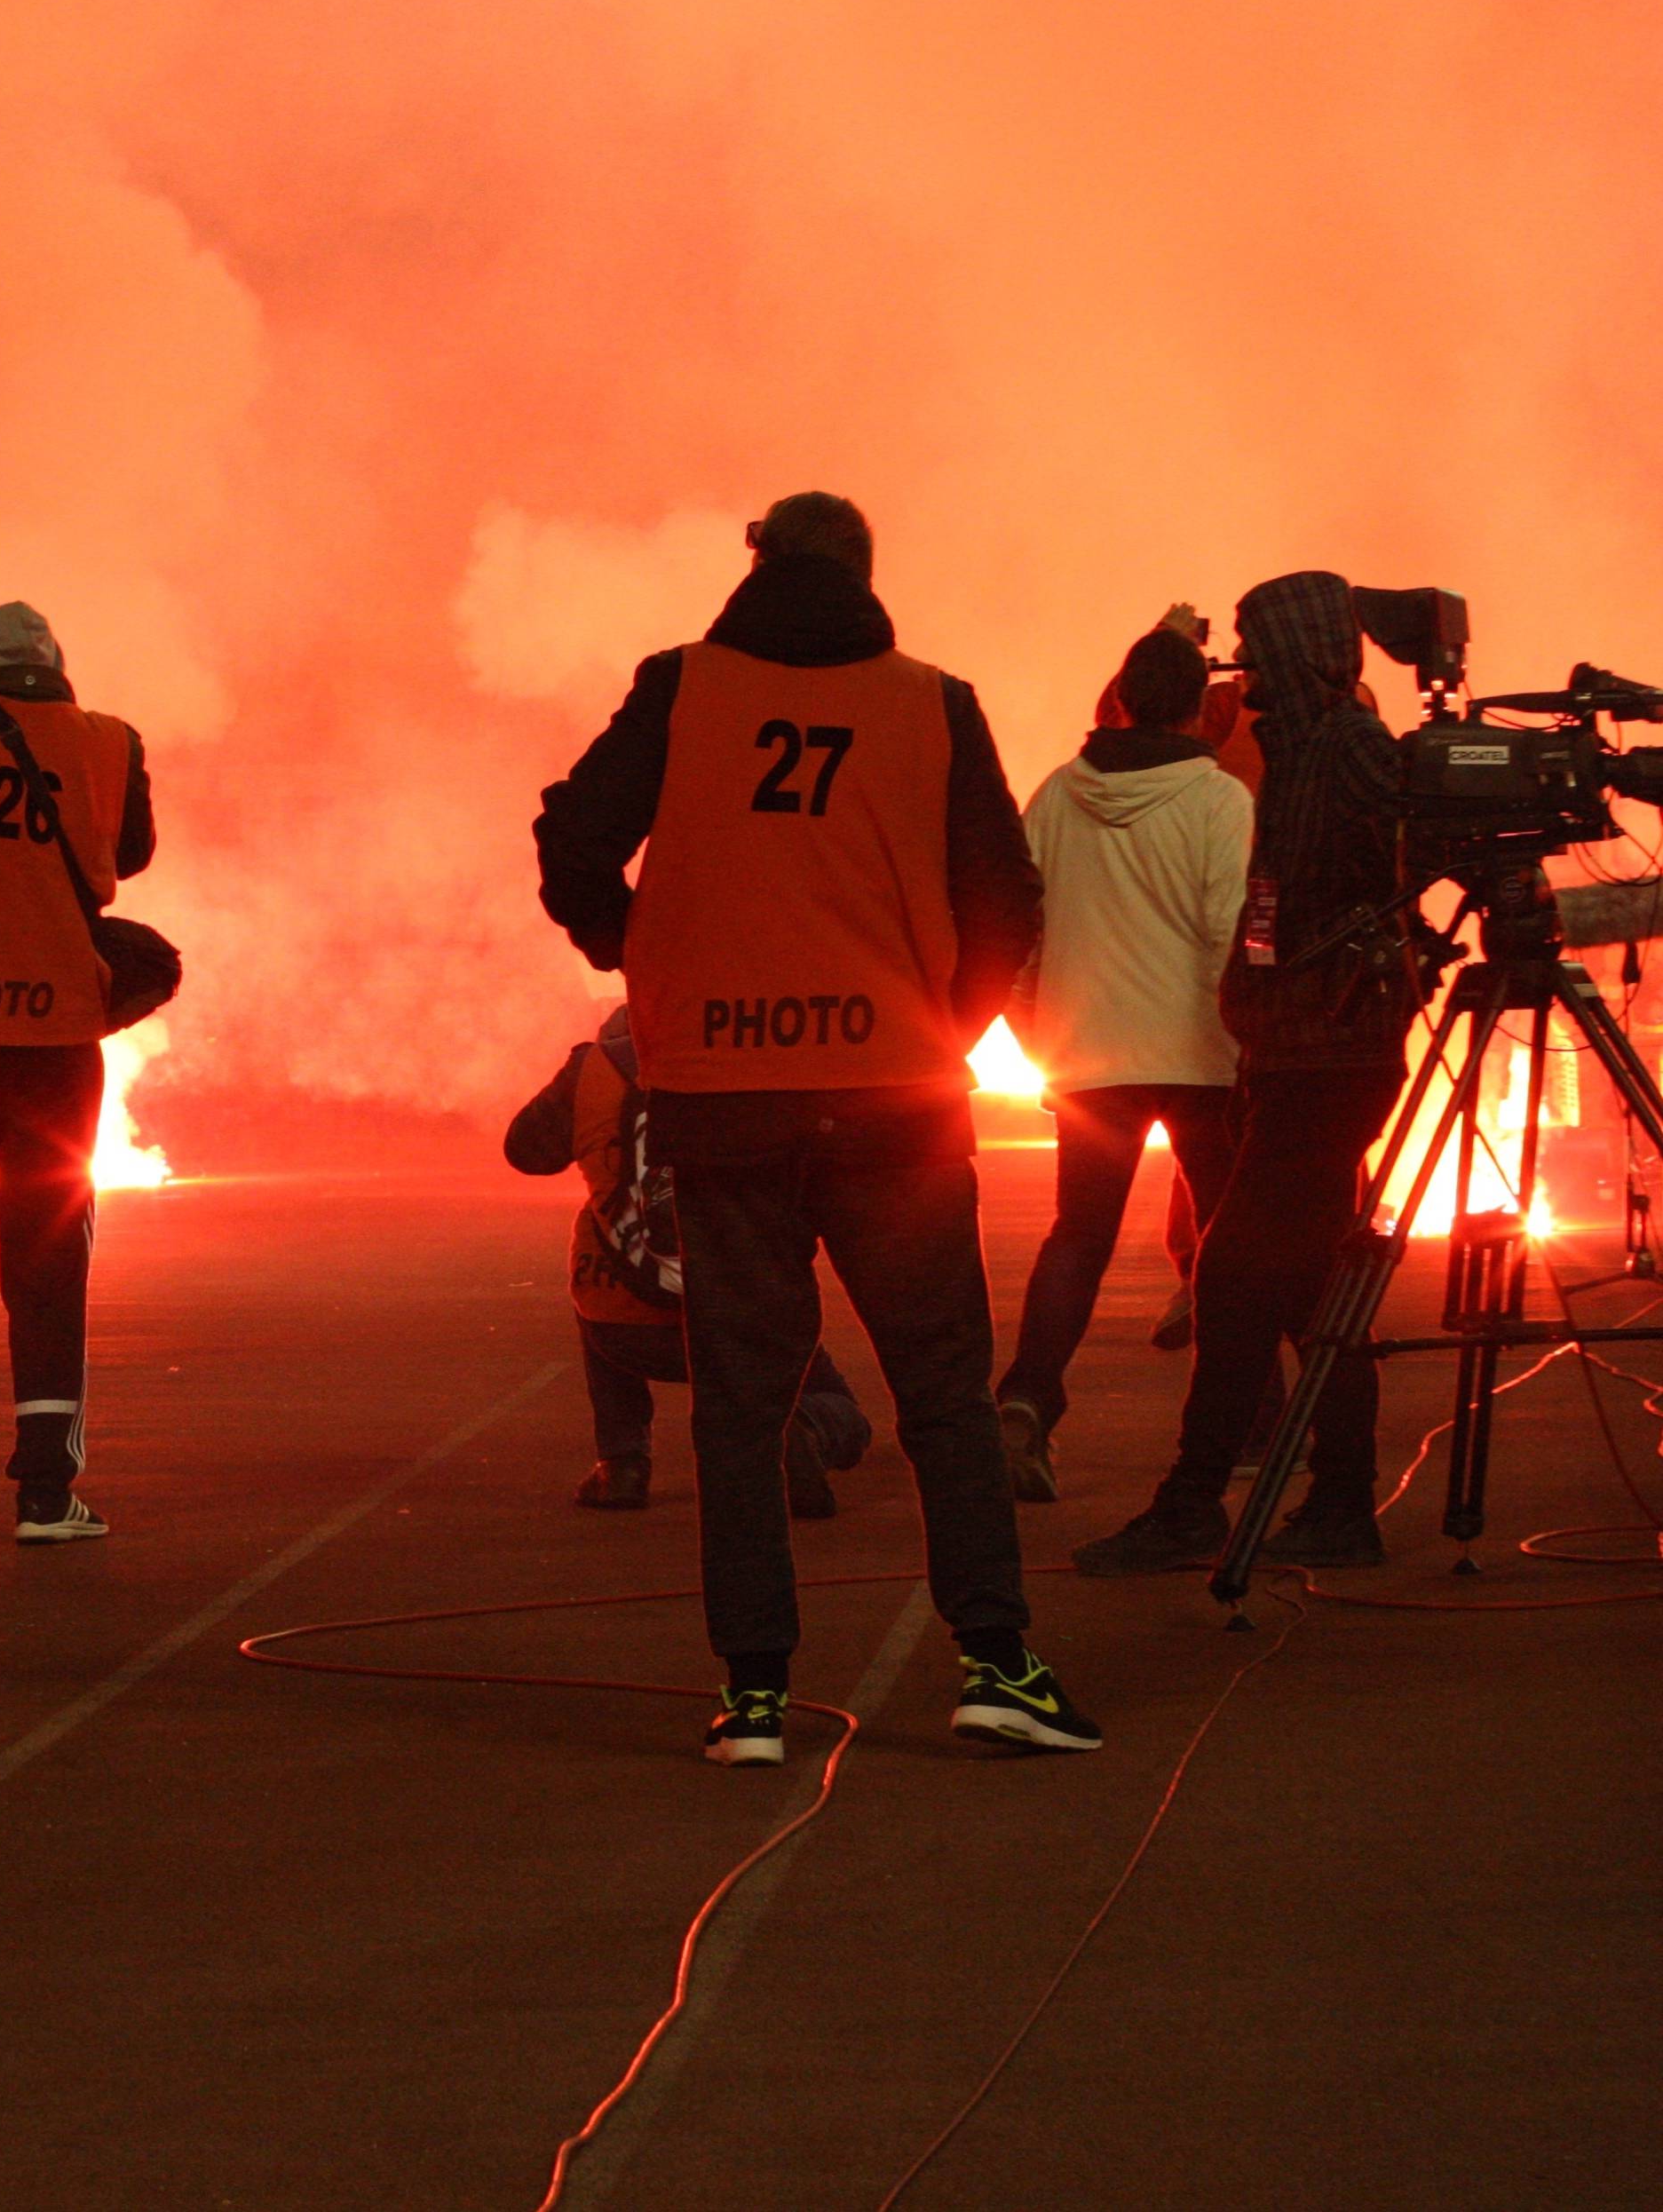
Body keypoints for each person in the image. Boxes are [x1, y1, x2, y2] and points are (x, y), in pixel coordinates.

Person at [536, 490, 1101, 1764]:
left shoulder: (683, 690)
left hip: (727, 1097)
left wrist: (631, 954)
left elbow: (573, 834)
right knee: (944, 1392)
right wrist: (947, 1030)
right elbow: (1006, 889)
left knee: (741, 1402)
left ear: (757, 566)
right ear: (865, 571)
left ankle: (754, 1698)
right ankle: (996, 1665)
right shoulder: (931, 701)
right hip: (893, 1099)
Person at [1073, 570, 1411, 1577]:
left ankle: (1195, 1503)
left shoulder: (1350, 753)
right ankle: (1339, 1505)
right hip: (1293, 1049)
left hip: (1331, 1055)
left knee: (1234, 1270)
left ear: (1301, 656)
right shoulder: (1303, 753)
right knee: (1310, 1288)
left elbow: (1388, 869)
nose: (1246, 680)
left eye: (1261, 659)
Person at [995, 619, 1252, 1501]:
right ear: (1197, 711)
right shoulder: (1221, 802)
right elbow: (1231, 929)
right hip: (1200, 1053)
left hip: (1088, 1052)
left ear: (1124, 697)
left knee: (1078, 1235)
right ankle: (1250, 1417)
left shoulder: (1056, 796)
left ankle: (1027, 1397)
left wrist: (1035, 1031)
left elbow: (1019, 928)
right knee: (1226, 1242)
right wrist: (1254, 1030)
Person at [504, 1001, 870, 1514]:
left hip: (622, 1330)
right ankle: (802, 1430)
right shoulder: (754, 1060)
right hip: (742, 1322)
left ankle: (622, 1463)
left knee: (600, 1254)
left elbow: (524, 1151)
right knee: (845, 1415)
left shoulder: (592, 1069)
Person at [0, 602, 156, 1542]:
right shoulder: (108, 742)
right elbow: (133, 854)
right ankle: (46, 1492)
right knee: (45, 1274)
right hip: (55, 1048)